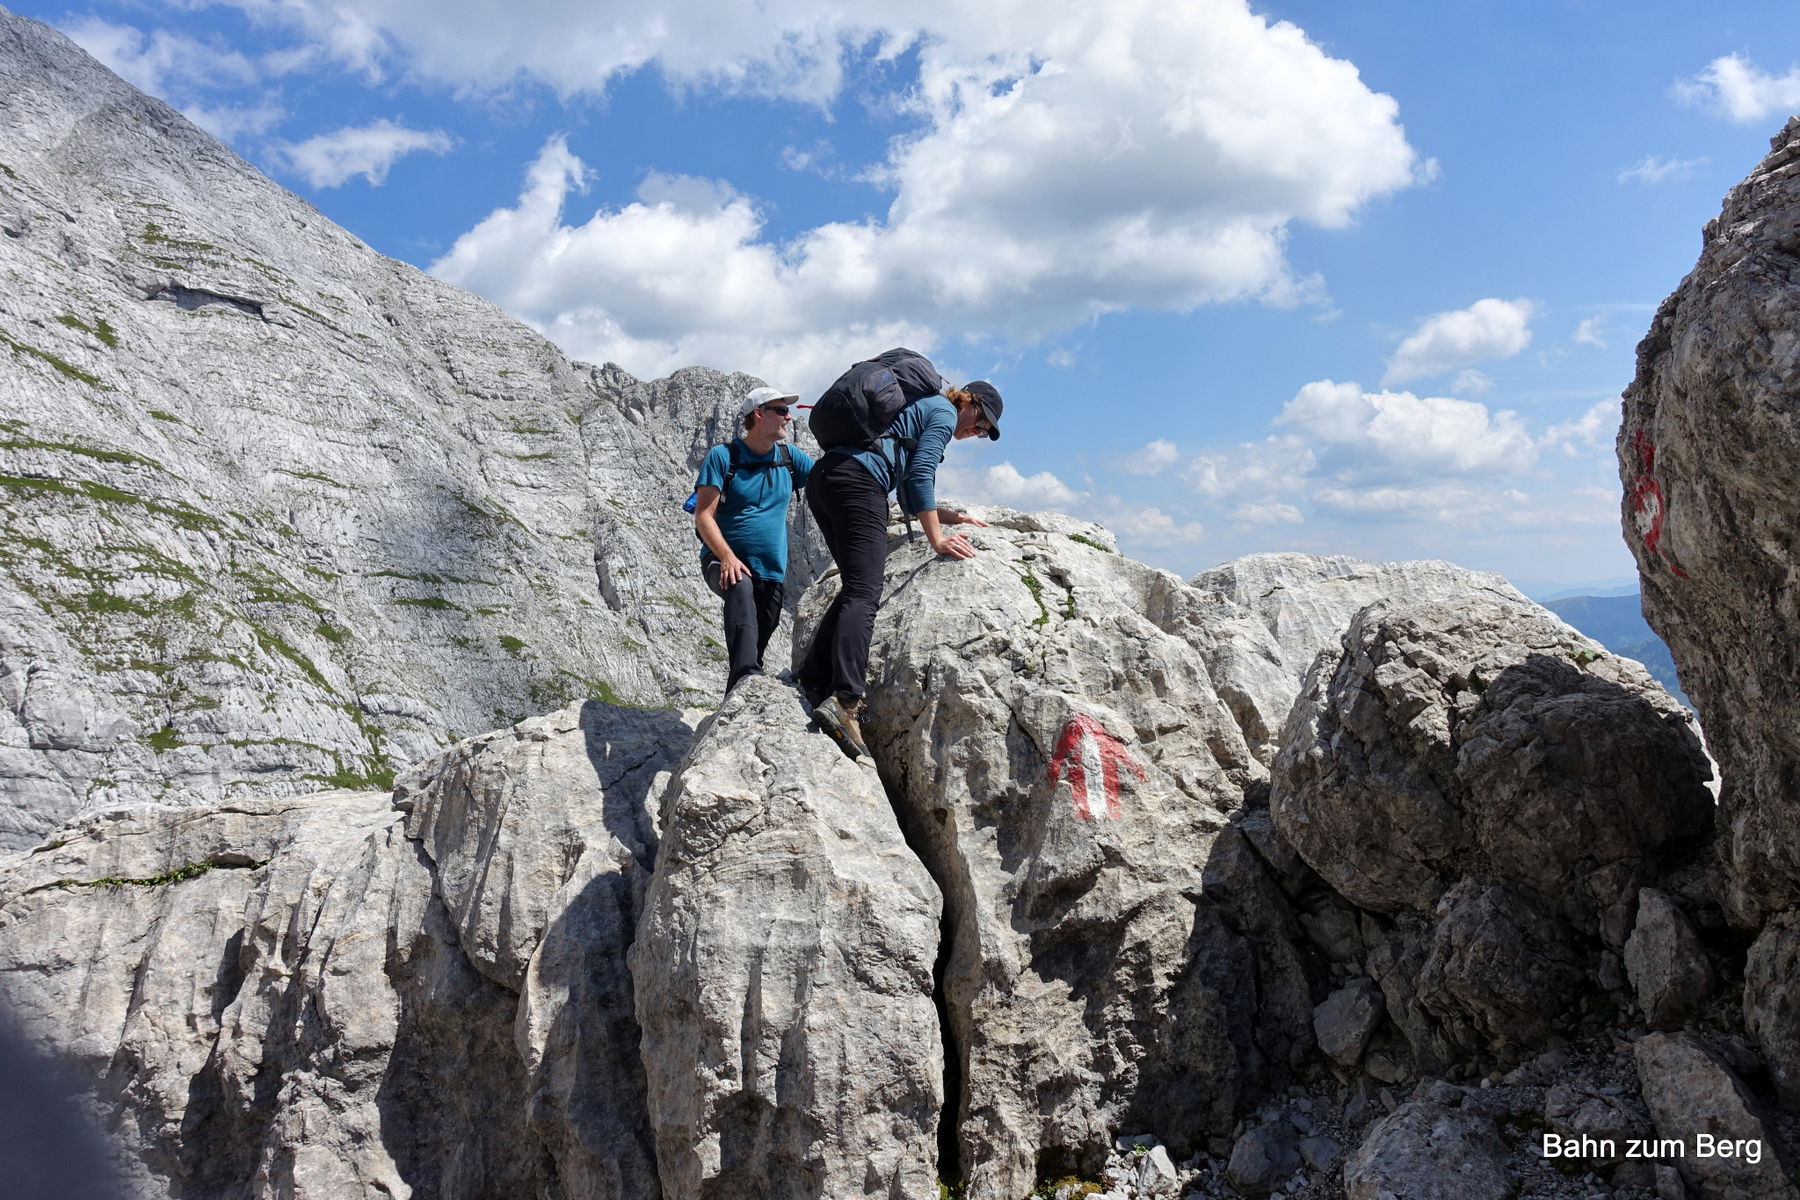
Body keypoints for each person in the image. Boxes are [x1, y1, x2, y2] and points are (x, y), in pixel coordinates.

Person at [800, 354, 1001, 759]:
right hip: (859, 484)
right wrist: (938, 539)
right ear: (970, 402)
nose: (976, 432)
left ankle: (813, 680)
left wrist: (951, 515)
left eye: (983, 433)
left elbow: (910, 493)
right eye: (981, 423)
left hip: (826, 479)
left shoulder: (920, 409)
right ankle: (846, 702)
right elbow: (922, 473)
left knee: (856, 586)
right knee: (865, 593)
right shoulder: (944, 413)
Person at [692, 386, 814, 694]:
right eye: (781, 410)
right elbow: (704, 515)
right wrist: (728, 557)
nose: (789, 417)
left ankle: (739, 694)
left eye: (788, 411)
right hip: (722, 560)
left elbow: (829, 481)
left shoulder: (790, 458)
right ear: (759, 414)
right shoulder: (724, 456)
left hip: (771, 570)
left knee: (760, 632)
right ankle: (746, 678)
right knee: (740, 587)